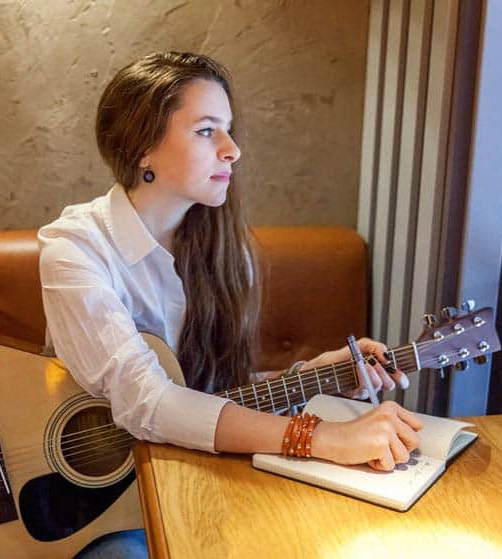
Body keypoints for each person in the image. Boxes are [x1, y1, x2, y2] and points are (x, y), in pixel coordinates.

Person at [38, 51, 424, 559]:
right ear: (142, 147)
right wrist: (320, 436)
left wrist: (314, 376)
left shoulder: (226, 254)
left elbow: (210, 397)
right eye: (206, 131)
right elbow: (149, 403)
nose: (233, 150)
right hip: (78, 507)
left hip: (195, 475)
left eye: (229, 130)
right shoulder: (75, 251)